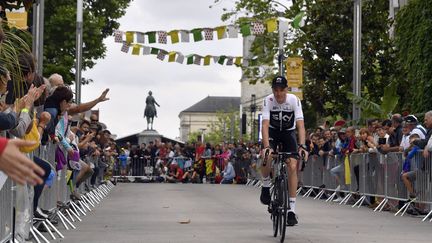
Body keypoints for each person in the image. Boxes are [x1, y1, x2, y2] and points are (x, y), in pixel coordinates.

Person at [260, 76, 308, 226]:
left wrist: (302, 145)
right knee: (266, 156)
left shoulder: (294, 100)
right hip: (273, 133)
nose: (278, 93)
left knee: (293, 166)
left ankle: (291, 211)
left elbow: (300, 125)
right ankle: (266, 185)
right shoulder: (268, 100)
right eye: (275, 90)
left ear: (286, 89)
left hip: (288, 133)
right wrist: (267, 146)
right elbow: (265, 125)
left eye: (281, 90)